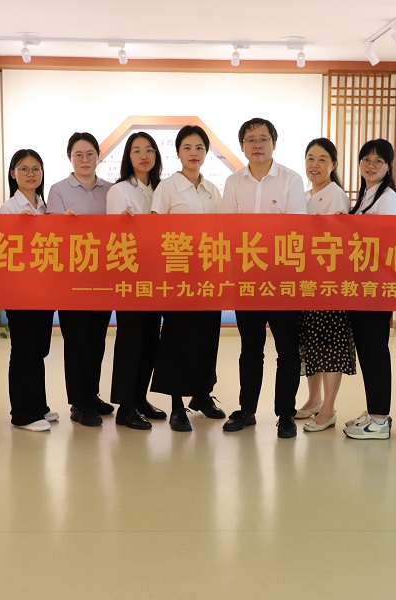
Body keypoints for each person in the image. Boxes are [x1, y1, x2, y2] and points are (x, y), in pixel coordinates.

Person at [219, 117, 307, 439]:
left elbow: (295, 229)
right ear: (242, 146)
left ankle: (286, 414)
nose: (257, 145)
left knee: (287, 350)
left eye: (263, 139)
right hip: (247, 279)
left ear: (274, 143)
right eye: (250, 139)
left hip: (283, 278)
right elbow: (227, 229)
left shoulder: (290, 179)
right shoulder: (234, 182)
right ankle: (247, 410)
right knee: (250, 348)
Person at [150, 125, 227, 432]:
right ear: (178, 152)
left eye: (199, 148)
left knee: (208, 336)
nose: (194, 153)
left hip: (209, 275)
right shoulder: (168, 188)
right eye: (187, 147)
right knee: (177, 338)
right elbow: (155, 231)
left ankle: (202, 395)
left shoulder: (213, 189)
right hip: (178, 274)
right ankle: (176, 406)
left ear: (206, 153)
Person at [46, 132, 114, 427]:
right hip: (71, 279)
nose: (84, 160)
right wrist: (64, 225)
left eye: (90, 154)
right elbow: (51, 234)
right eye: (78, 155)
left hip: (103, 277)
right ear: (69, 158)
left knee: (97, 340)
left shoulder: (110, 190)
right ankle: (79, 402)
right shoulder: (58, 190)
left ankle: (91, 394)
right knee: (76, 341)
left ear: (98, 156)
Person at [342, 138, 396, 441]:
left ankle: (380, 418)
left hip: (375, 289)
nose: (371, 165)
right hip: (361, 288)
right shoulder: (368, 194)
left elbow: (386, 245)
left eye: (378, 161)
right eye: (366, 159)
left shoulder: (388, 199)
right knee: (368, 351)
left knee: (375, 351)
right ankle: (374, 411)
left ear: (389, 166)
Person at [105, 132, 167, 430]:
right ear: (128, 157)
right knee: (130, 341)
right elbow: (115, 237)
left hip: (157, 276)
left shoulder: (161, 188)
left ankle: (140, 399)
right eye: (137, 150)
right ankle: (125, 407)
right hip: (131, 277)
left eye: (149, 150)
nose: (144, 155)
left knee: (150, 340)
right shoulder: (119, 190)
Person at [295, 138, 356, 432]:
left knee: (329, 344)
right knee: (312, 342)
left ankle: (328, 409)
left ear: (333, 164)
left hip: (329, 283)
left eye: (322, 159)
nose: (315, 165)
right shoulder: (306, 195)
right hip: (307, 281)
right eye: (310, 158)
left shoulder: (335, 196)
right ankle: (314, 399)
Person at [0, 149, 60, 432]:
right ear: (13, 173)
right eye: (23, 169)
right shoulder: (9, 208)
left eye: (36, 169)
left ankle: (39, 406)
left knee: (39, 348)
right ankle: (23, 414)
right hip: (20, 290)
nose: (30, 174)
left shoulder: (46, 207)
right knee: (23, 348)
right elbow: (5, 249)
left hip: (45, 287)